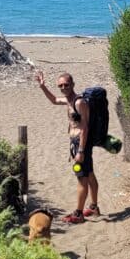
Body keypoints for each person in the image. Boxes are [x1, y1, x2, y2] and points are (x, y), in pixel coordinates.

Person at [36, 70, 100, 223]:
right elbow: (54, 101)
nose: (63, 87)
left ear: (73, 85)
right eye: (60, 85)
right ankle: (93, 207)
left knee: (82, 178)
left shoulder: (79, 102)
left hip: (81, 144)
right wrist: (43, 87)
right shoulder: (68, 100)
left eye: (66, 84)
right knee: (89, 173)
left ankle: (78, 214)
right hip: (76, 143)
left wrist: (80, 151)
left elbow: (84, 127)